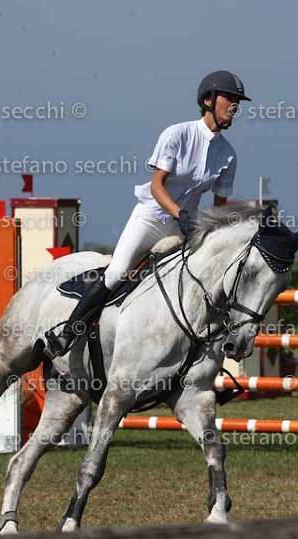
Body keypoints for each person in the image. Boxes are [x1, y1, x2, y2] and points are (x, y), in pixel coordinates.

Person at [45, 70, 251, 358]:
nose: (234, 105)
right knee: (117, 272)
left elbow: (219, 207)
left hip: (185, 228)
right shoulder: (177, 134)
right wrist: (181, 214)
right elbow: (156, 186)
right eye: (229, 98)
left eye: (237, 101)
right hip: (152, 218)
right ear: (208, 100)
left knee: (201, 281)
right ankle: (68, 331)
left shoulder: (228, 155)